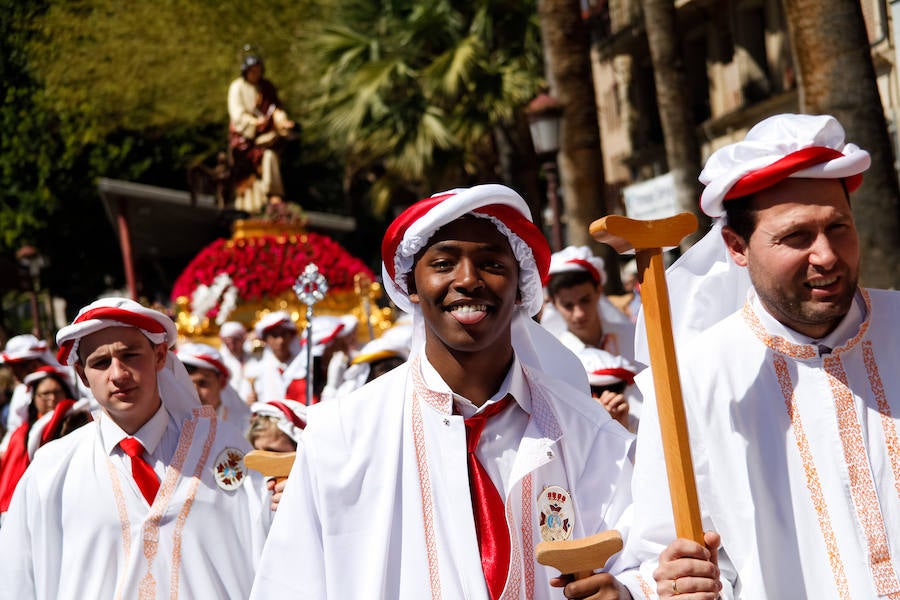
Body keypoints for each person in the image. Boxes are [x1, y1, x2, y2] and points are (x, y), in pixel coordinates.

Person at [250, 184, 635, 599]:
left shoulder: (587, 430)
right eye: (443, 262)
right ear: (410, 285)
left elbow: (641, 554)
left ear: (520, 287)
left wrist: (626, 591)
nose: (468, 280)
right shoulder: (340, 436)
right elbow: (290, 585)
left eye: (491, 263)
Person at [617, 113, 899, 599]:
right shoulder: (692, 381)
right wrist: (668, 583)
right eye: (796, 237)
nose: (827, 254)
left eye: (838, 227)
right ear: (736, 247)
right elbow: (659, 555)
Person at [0, 298, 272, 599]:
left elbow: (271, 555)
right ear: (81, 374)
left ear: (158, 356)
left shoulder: (223, 448)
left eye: (130, 355)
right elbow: (17, 579)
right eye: (101, 363)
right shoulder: (52, 469)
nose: (117, 374)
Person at [0, 366, 91, 516]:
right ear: (34, 398)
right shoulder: (21, 434)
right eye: (45, 394)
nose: (52, 398)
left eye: (56, 392)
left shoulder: (80, 421)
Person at [541, 246, 638, 362]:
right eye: (568, 305)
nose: (579, 313)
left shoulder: (633, 340)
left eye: (585, 300)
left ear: (599, 290)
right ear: (553, 302)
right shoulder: (551, 357)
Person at [227, 53, 295, 211]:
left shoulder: (266, 88)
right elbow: (237, 115)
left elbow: (276, 109)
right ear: (246, 71)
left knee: (271, 153)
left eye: (258, 71)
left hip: (266, 136)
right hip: (245, 139)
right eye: (253, 71)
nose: (256, 75)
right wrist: (254, 123)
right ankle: (266, 199)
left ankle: (274, 195)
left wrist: (282, 121)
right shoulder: (237, 87)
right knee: (265, 156)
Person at [177, 342, 252, 434]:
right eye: (187, 384)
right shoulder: (170, 424)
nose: (194, 392)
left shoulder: (243, 425)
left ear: (221, 382)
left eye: (203, 383)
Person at [576, 347, 639, 433]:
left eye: (615, 389)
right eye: (594, 390)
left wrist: (621, 430)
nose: (607, 395)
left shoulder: (637, 425)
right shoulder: (564, 422)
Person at [218, 320, 257, 402]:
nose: (232, 345)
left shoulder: (254, 360)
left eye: (235, 340)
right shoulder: (220, 362)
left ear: (243, 339)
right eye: (228, 341)